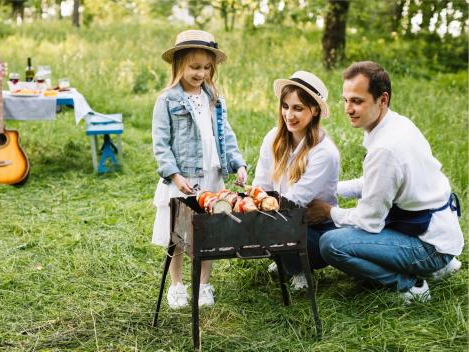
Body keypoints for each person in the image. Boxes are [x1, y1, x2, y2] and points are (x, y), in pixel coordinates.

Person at [308, 61, 463, 303]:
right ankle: (438, 266)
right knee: (342, 227)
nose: (348, 109)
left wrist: (328, 211)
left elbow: (369, 221)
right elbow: (374, 183)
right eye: (345, 100)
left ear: (383, 100)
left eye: (357, 101)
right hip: (439, 231)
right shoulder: (396, 123)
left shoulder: (385, 149)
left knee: (332, 244)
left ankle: (411, 286)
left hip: (430, 244)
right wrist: (328, 188)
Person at [151, 30, 248, 309]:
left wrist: (238, 163)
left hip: (211, 176)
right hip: (183, 178)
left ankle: (204, 285)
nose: (201, 73)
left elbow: (225, 136)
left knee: (209, 235)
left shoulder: (214, 99)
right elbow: (161, 144)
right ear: (179, 64)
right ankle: (177, 285)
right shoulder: (167, 100)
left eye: (206, 68)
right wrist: (174, 175)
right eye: (194, 67)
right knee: (178, 237)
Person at [252, 71, 340, 290]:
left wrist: (263, 214)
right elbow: (260, 184)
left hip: (314, 229)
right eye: (285, 106)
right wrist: (254, 200)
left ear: (315, 110)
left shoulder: (324, 152)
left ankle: (299, 267)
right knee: (253, 220)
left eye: (298, 108)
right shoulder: (273, 138)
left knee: (275, 225)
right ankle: (283, 258)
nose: (289, 115)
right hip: (280, 215)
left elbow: (295, 202)